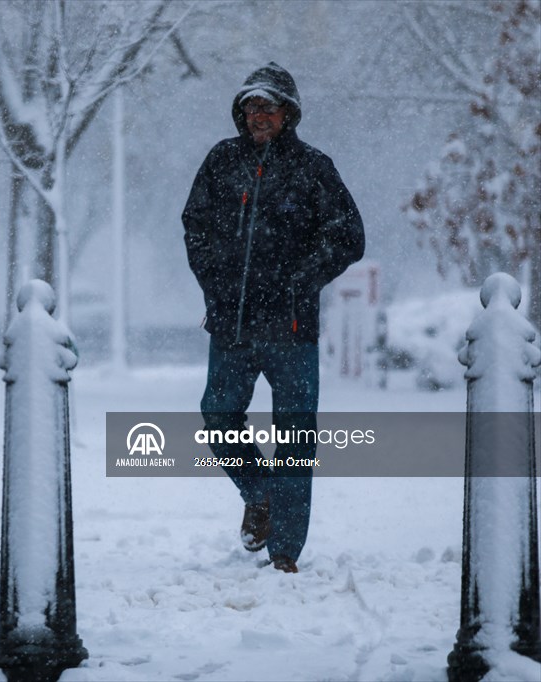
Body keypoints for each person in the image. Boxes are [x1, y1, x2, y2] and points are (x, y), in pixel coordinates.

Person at [181, 62, 364, 573]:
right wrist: (215, 282)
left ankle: (285, 552)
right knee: (218, 417)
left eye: (268, 106)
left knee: (295, 439)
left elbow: (348, 237)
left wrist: (300, 280)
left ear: (289, 113)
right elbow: (194, 225)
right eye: (251, 107)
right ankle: (259, 495)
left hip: (291, 329)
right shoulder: (221, 161)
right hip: (231, 325)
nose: (259, 115)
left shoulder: (313, 167)